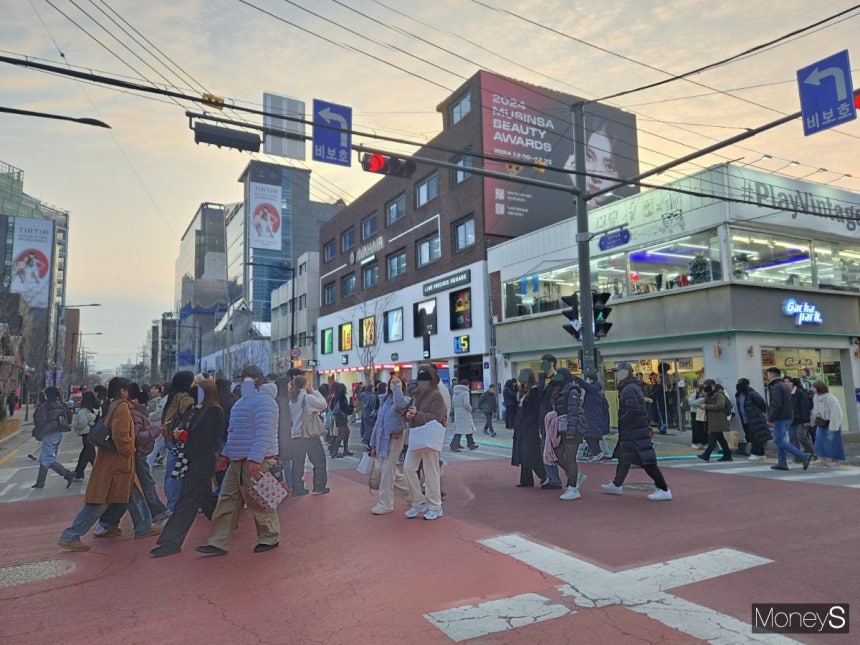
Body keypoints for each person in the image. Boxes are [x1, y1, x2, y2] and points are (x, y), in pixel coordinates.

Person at [58, 377, 161, 551]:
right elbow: (121, 437)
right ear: (122, 391)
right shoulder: (122, 408)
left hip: (117, 465)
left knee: (133, 493)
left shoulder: (114, 405)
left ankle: (142, 526)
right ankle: (71, 535)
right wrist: (130, 449)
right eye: (128, 389)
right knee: (100, 501)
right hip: (117, 464)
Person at [196, 365, 280, 556]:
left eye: (243, 379)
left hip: (255, 459)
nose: (240, 383)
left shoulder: (263, 402)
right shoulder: (244, 402)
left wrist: (255, 459)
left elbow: (264, 433)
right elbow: (235, 432)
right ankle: (219, 541)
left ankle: (269, 536)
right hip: (240, 459)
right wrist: (227, 454)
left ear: (254, 380)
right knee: (228, 500)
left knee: (259, 501)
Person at [151, 379, 225, 557]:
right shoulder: (195, 410)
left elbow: (211, 440)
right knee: (203, 498)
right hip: (191, 459)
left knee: (187, 501)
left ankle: (171, 541)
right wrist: (181, 434)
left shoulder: (214, 411)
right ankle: (226, 526)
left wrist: (186, 435)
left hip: (201, 461)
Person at [600, 362, 672, 501]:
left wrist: (623, 421)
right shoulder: (630, 387)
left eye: (619, 372)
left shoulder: (629, 389)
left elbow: (634, 410)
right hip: (632, 431)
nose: (616, 375)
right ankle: (617, 484)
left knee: (646, 461)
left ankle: (663, 488)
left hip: (634, 431)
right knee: (624, 457)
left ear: (626, 372)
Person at [403, 369, 447, 520]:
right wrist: (408, 415)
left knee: (431, 471)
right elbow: (408, 411)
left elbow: (438, 417)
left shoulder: (437, 396)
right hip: (417, 435)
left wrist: (417, 415)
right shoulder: (415, 394)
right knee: (408, 468)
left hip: (429, 435)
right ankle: (419, 501)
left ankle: (435, 506)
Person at [368, 374, 412, 515]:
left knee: (387, 472)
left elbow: (400, 404)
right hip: (382, 439)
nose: (393, 384)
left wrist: (397, 387)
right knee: (389, 471)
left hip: (395, 438)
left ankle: (385, 504)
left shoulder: (405, 400)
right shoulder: (384, 401)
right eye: (392, 382)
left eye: (397, 382)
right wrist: (373, 443)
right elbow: (378, 423)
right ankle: (413, 493)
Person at [286, 375, 330, 496]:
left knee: (298, 463)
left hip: (296, 435)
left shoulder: (292, 399)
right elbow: (324, 404)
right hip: (308, 435)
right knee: (319, 461)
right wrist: (314, 392)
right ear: (305, 385)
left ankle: (297, 488)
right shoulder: (307, 398)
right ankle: (319, 486)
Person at [549, 368, 588, 501]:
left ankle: (573, 487)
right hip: (563, 428)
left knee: (570, 457)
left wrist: (571, 431)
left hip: (573, 428)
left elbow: (573, 412)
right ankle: (575, 478)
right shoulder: (562, 390)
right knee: (558, 454)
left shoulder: (571, 391)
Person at [765, 367, 812, 472]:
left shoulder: (776, 387)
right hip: (787, 416)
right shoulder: (783, 386)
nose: (767, 376)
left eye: (767, 374)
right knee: (780, 439)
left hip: (781, 417)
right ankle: (782, 462)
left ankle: (803, 455)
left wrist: (771, 418)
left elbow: (776, 404)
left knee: (778, 440)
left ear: (772, 375)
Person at [31, 386, 76, 489]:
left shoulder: (45, 406)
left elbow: (40, 420)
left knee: (47, 459)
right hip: (58, 433)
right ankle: (40, 482)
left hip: (48, 433)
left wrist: (37, 432)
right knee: (44, 457)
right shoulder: (62, 405)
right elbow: (69, 419)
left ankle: (67, 474)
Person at [511, 368, 546, 487]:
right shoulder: (524, 391)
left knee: (530, 451)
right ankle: (526, 479)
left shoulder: (534, 391)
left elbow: (535, 410)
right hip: (521, 424)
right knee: (523, 451)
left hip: (530, 426)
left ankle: (543, 474)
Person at [538, 354, 564, 490]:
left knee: (553, 448)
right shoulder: (541, 378)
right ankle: (553, 478)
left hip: (554, 418)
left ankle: (561, 477)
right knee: (546, 448)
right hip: (543, 417)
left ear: (552, 363)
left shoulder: (558, 377)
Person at [574, 371, 611, 462]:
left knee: (589, 436)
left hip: (592, 418)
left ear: (590, 379)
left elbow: (585, 385)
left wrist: (574, 378)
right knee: (593, 437)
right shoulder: (598, 392)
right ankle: (597, 453)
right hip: (597, 418)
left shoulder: (592, 390)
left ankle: (598, 454)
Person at [696, 380, 733, 462]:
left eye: (707, 386)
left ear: (713, 385)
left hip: (718, 420)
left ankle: (706, 455)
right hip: (713, 420)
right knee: (721, 439)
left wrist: (706, 406)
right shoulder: (710, 394)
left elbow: (720, 406)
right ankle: (727, 455)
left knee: (712, 438)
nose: (705, 387)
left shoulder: (719, 394)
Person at [810, 380, 845, 467]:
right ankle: (820, 459)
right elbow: (815, 410)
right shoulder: (815, 397)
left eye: (814, 388)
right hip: (821, 422)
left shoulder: (830, 398)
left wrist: (834, 425)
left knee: (834, 442)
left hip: (832, 422)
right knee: (819, 441)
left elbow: (836, 412)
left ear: (819, 388)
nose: (813, 390)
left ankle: (835, 461)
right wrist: (813, 421)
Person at [734, 378, 770, 461]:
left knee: (756, 437)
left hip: (754, 419)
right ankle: (760, 453)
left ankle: (756, 453)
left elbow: (762, 404)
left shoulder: (752, 393)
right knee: (751, 436)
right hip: (745, 420)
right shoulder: (739, 395)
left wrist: (759, 414)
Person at [785, 377, 814, 462]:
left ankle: (813, 453)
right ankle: (797, 456)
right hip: (790, 419)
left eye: (787, 382)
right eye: (784, 382)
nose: (785, 384)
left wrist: (806, 420)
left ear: (792, 383)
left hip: (801, 419)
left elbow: (805, 407)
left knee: (801, 436)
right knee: (792, 438)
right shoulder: (786, 393)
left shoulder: (800, 392)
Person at [72, 390, 98, 480]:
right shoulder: (96, 409)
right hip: (93, 433)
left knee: (90, 454)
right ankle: (79, 472)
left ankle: (98, 473)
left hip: (86, 433)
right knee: (86, 454)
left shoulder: (83, 411)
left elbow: (81, 423)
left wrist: (76, 427)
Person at [449, 378, 478, 451]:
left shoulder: (455, 392)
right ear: (467, 385)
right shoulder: (465, 393)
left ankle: (469, 444)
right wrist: (471, 409)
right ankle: (454, 445)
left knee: (462, 429)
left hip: (457, 413)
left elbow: (452, 404)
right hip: (464, 414)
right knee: (463, 430)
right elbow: (466, 404)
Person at [328, 383, 354, 458]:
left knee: (346, 433)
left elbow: (332, 408)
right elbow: (347, 409)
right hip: (342, 418)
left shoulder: (335, 398)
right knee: (341, 435)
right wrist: (351, 405)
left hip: (337, 418)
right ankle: (334, 452)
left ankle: (344, 450)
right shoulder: (342, 398)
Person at [358, 383, 378, 449]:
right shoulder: (373, 396)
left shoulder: (363, 394)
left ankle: (364, 439)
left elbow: (359, 396)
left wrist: (362, 388)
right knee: (369, 428)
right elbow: (373, 405)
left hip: (364, 412)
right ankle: (366, 441)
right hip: (370, 413)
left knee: (365, 427)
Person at [688, 385, 708, 450]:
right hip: (695, 413)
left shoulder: (707, 395)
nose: (704, 392)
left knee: (704, 429)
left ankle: (703, 442)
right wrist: (699, 400)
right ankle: (695, 442)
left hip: (703, 413)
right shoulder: (694, 395)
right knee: (696, 428)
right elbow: (690, 403)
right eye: (703, 390)